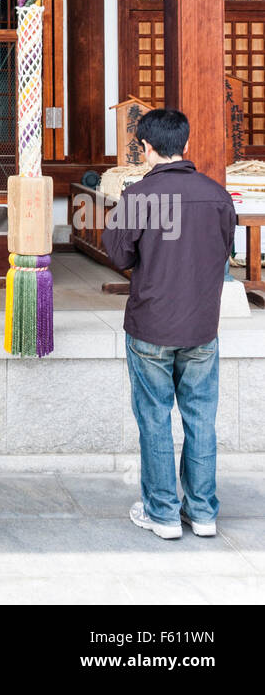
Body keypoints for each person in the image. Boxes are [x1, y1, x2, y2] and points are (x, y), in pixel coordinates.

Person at [102, 108, 236, 541]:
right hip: (201, 326)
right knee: (201, 419)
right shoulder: (217, 196)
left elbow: (119, 256)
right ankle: (202, 512)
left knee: (155, 418)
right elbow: (224, 250)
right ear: (185, 144)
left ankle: (162, 512)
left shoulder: (140, 196)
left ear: (146, 147)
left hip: (152, 325)